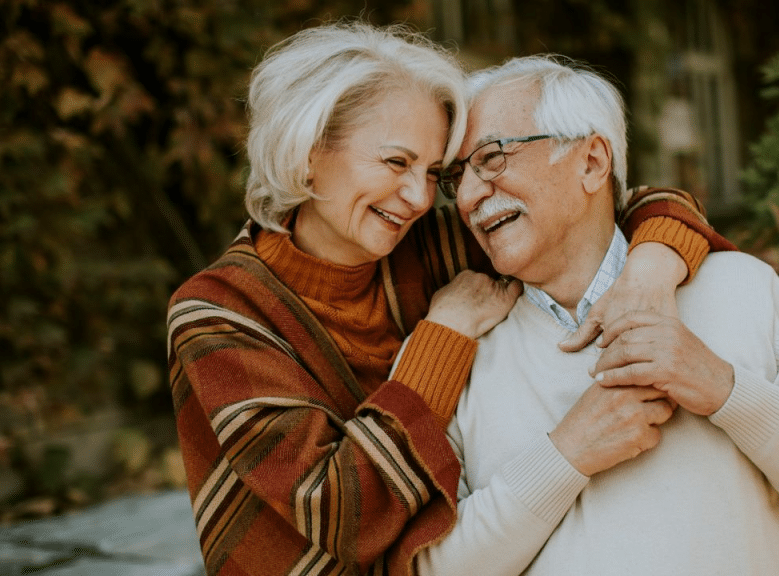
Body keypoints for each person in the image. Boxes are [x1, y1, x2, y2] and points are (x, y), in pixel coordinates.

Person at [166, 23, 732, 576]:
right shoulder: (218, 312)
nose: (418, 198)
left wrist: (647, 275)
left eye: (433, 172)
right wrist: (444, 335)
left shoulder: (428, 247)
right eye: (396, 162)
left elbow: (616, 205)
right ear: (307, 154)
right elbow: (342, 513)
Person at [416, 55, 779, 575]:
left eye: (491, 158)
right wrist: (565, 456)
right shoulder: (462, 346)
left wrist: (722, 387)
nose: (468, 197)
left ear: (591, 162)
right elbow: (432, 568)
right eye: (457, 177)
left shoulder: (739, 287)